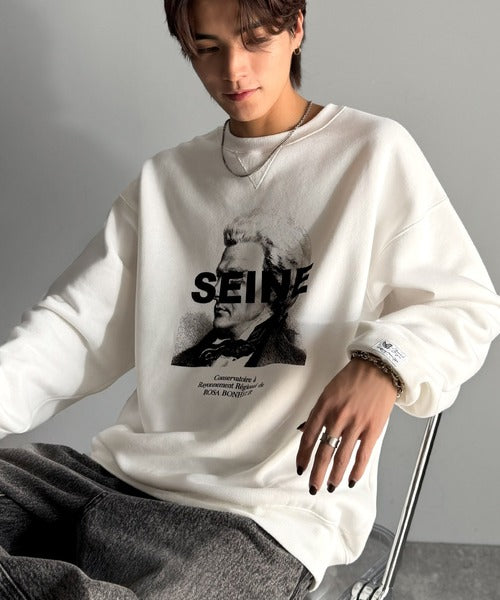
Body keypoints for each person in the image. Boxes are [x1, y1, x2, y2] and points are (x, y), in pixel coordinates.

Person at [1, 0, 500, 598]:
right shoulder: (166, 180)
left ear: (296, 27)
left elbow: (466, 302)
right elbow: (72, 330)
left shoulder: (371, 153)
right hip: (110, 480)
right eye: (207, 49)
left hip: (259, 518)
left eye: (255, 39)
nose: (233, 70)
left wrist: (383, 364)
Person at [172, 212, 311, 367]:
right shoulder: (182, 361)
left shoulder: (296, 362)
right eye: (219, 276)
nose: (216, 291)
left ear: (274, 289)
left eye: (235, 279)